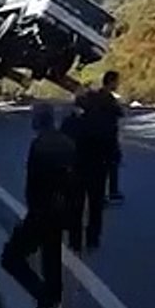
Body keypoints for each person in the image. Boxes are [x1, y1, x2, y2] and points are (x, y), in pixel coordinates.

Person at [0, 103, 77, 308]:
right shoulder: (67, 142)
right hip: (63, 211)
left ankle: (48, 302)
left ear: (38, 120)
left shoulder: (40, 145)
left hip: (43, 212)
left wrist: (31, 216)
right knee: (51, 260)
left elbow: (34, 186)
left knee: (11, 257)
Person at [60, 101, 106, 252]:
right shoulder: (99, 123)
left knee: (75, 206)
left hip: (75, 169)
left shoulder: (69, 123)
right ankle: (92, 240)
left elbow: (63, 144)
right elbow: (109, 144)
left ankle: (75, 241)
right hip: (96, 169)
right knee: (95, 207)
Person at [79, 71, 126, 206]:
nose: (118, 84)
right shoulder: (109, 99)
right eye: (116, 81)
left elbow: (80, 103)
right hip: (108, 137)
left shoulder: (93, 96)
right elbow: (120, 113)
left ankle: (98, 194)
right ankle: (112, 192)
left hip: (91, 137)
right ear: (111, 82)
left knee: (96, 166)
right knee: (111, 165)